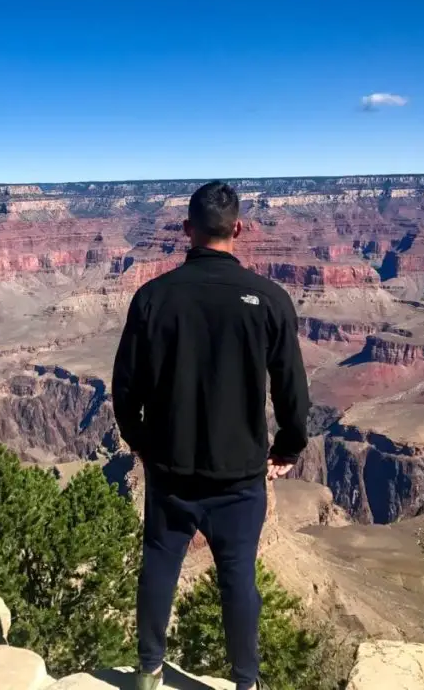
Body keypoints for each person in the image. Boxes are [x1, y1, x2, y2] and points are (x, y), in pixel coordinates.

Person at [112, 180, 310, 690]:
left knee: (158, 564)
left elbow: (124, 386)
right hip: (240, 475)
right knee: (238, 579)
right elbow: (292, 386)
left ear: (187, 231)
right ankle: (247, 683)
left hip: (170, 468)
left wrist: (140, 442)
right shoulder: (269, 298)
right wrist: (288, 446)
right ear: (238, 229)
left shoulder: (153, 297)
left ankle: (149, 671)